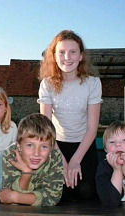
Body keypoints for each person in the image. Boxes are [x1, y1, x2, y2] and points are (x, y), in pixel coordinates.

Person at [38, 30, 102, 200]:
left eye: (73, 52)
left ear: (81, 56)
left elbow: (92, 129)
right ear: (54, 56)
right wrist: (62, 161)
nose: (67, 57)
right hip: (56, 144)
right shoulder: (47, 84)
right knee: (60, 193)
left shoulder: (93, 83)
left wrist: (75, 161)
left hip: (84, 145)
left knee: (86, 192)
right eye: (62, 52)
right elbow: (47, 127)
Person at [0, 113, 63, 206]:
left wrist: (16, 197)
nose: (36, 153)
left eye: (44, 146)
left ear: (51, 147)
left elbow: (52, 197)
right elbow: (8, 195)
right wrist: (26, 173)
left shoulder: (55, 157)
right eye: (30, 145)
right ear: (19, 146)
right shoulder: (11, 155)